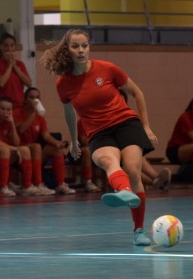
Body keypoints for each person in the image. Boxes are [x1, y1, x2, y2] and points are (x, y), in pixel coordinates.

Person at [42, 29, 156, 246]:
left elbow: (137, 93)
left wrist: (147, 127)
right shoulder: (63, 84)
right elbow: (69, 112)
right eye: (75, 46)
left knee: (132, 170)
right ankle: (123, 192)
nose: (81, 50)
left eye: (84, 45)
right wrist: (74, 141)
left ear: (89, 47)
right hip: (98, 133)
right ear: (67, 49)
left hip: (126, 124)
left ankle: (139, 230)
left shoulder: (107, 68)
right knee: (109, 161)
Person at [0, 96, 55, 196]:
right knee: (6, 150)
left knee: (25, 150)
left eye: (8, 109)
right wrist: (14, 149)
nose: (5, 112)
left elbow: (16, 143)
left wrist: (12, 124)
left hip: (7, 151)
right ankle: (3, 187)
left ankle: (27, 186)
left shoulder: (9, 120)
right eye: (2, 109)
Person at [13, 87, 75, 195]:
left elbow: (46, 135)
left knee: (57, 150)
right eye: (31, 97)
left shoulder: (40, 118)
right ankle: (38, 184)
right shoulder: (17, 113)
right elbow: (21, 129)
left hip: (34, 154)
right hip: (19, 151)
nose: (35, 100)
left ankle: (60, 184)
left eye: (37, 97)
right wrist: (33, 113)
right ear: (25, 100)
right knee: (37, 147)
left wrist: (57, 143)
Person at [76, 119, 102, 192]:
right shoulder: (81, 122)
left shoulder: (101, 121)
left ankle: (113, 182)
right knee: (87, 150)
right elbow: (84, 141)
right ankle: (88, 182)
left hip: (97, 148)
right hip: (80, 151)